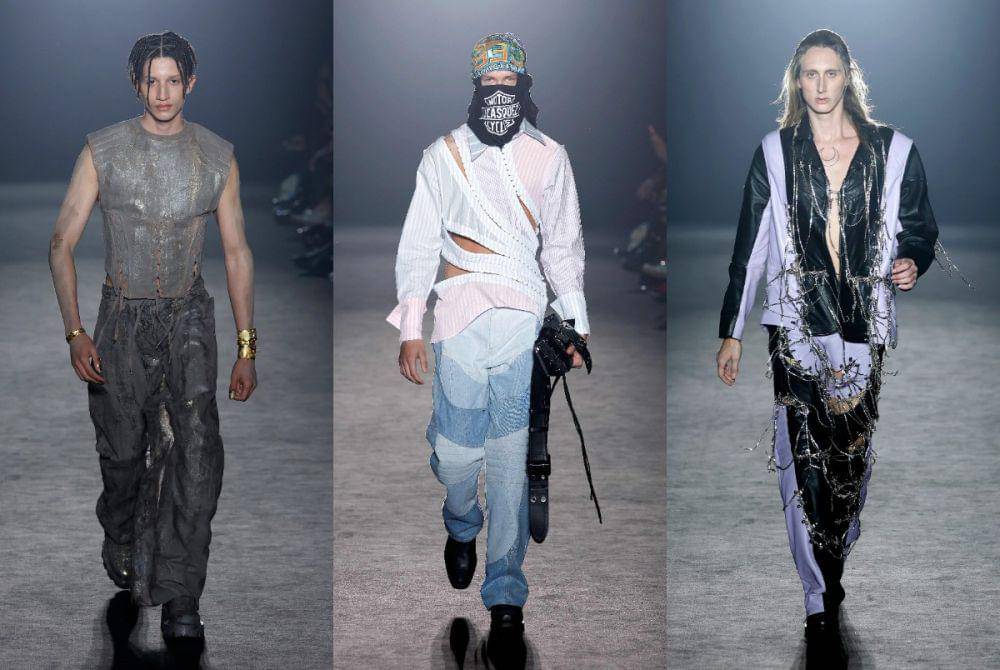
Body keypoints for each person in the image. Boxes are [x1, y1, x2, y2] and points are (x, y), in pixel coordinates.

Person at [715, 29, 937, 666]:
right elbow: (750, 247)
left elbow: (919, 228)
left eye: (830, 73)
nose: (820, 85)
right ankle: (816, 595)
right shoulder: (774, 152)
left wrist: (911, 260)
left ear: (848, 78)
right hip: (794, 324)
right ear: (796, 81)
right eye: (809, 74)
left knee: (849, 466)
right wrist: (732, 331)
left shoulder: (895, 152)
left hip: (865, 325)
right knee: (803, 459)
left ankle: (833, 553)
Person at [48, 30, 257, 640]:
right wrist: (74, 332)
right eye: (151, 81)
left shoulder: (216, 156)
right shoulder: (104, 150)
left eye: (173, 81)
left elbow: (237, 252)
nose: (162, 93)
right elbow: (61, 243)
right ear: (136, 84)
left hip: (189, 320)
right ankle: (119, 529)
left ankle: (181, 596)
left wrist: (247, 346)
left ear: (190, 83)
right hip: (120, 321)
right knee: (121, 456)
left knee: (197, 454)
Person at [388, 32, 588, 665]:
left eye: (510, 84)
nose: (500, 93)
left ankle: (505, 596)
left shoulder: (550, 156)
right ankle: (460, 522)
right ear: (475, 88)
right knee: (456, 456)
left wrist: (575, 324)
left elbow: (562, 246)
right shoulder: (442, 156)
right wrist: (411, 326)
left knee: (506, 464)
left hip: (523, 321)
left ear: (524, 87)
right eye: (489, 84)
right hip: (458, 318)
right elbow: (420, 240)